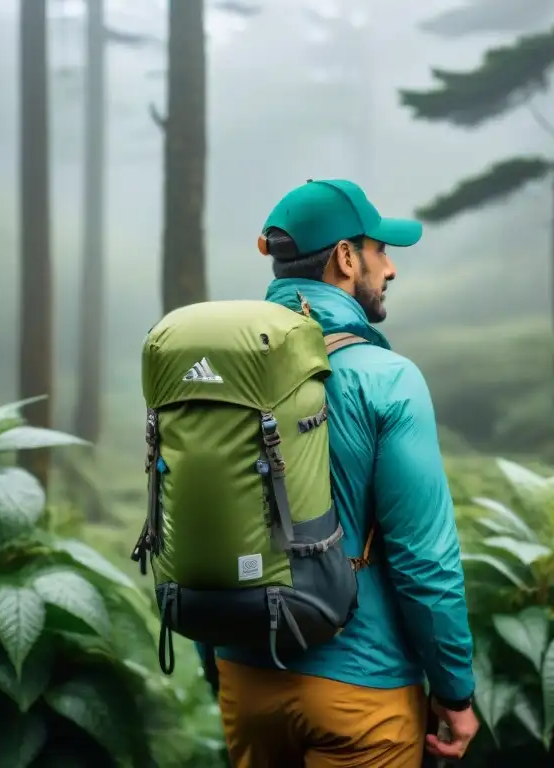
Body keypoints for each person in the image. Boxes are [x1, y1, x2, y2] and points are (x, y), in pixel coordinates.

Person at [214, 178, 479, 767]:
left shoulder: (222, 365)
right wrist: (455, 692)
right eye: (381, 250)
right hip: (362, 685)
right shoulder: (386, 377)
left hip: (243, 676)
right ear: (343, 256)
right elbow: (423, 556)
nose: (390, 269)